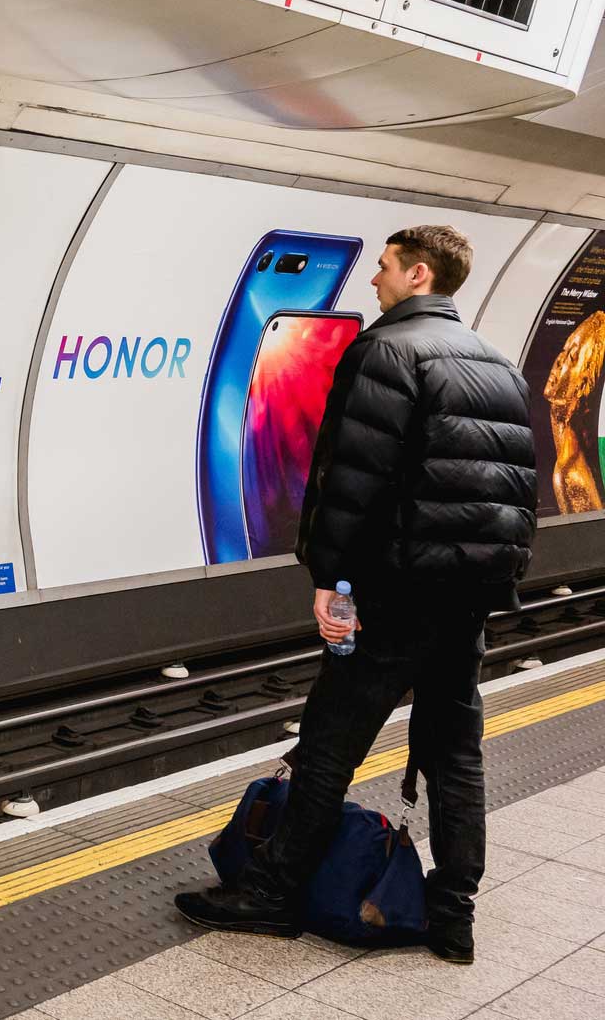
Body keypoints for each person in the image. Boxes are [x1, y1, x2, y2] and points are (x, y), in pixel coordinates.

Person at [175, 225, 537, 965]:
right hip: (467, 599)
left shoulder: (386, 351)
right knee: (454, 755)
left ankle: (271, 892)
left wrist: (332, 580)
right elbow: (516, 492)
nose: (374, 279)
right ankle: (453, 914)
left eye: (384, 267)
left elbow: (351, 480)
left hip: (395, 595)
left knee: (327, 744)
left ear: (418, 273)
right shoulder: (497, 363)